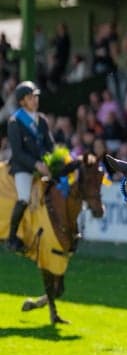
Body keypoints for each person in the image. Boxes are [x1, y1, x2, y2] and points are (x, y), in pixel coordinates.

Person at [6, 81, 54, 253]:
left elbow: (50, 145)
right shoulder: (14, 121)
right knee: (24, 197)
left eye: (35, 96)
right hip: (23, 167)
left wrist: (52, 162)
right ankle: (11, 237)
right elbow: (18, 152)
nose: (34, 100)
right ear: (21, 102)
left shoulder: (42, 120)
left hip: (43, 165)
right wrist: (36, 165)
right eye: (30, 97)